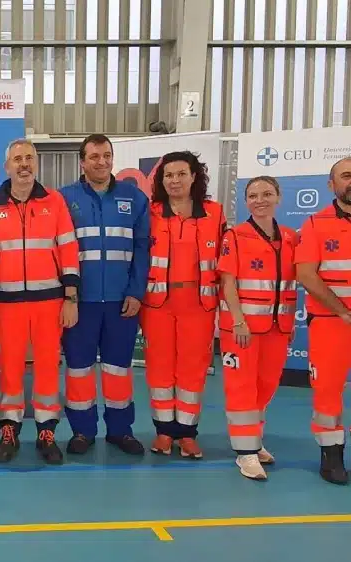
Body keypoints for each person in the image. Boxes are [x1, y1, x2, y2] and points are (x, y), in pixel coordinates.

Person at [0, 139, 79, 465]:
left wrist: (70, 296)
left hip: (49, 302)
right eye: (17, 159)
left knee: (47, 366)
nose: (23, 164)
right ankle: (9, 428)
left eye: (29, 158)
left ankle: (46, 431)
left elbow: (68, 249)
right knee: (9, 368)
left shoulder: (54, 201)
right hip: (7, 302)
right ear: (7, 166)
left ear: (35, 163)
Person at [59, 134, 149, 456]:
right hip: (80, 305)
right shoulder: (64, 199)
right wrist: (66, 298)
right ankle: (82, 432)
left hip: (120, 302)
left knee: (118, 369)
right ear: (82, 162)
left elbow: (142, 248)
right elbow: (60, 251)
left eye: (106, 155)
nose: (102, 162)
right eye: (94, 156)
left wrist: (136, 291)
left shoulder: (134, 198)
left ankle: (120, 431)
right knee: (79, 369)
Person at [295, 156, 351, 487]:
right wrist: (342, 310)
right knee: (327, 391)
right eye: (347, 175)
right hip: (330, 322)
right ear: (332, 184)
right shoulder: (315, 223)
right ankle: (331, 456)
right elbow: (305, 274)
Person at [140, 150, 225, 459]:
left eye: (181, 174)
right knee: (160, 369)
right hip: (158, 304)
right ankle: (164, 432)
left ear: (194, 176)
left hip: (199, 305)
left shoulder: (215, 213)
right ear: (161, 181)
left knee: (192, 370)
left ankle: (187, 434)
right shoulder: (149, 213)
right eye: (169, 175)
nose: (175, 180)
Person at [217, 175, 297, 481]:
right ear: (246, 201)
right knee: (241, 389)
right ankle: (246, 453)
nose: (259, 200)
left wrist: (286, 322)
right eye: (253, 195)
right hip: (241, 329)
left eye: (266, 194)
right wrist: (238, 319)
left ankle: (254, 439)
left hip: (278, 327)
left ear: (278, 197)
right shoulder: (234, 236)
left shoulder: (291, 237)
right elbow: (228, 282)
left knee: (266, 386)